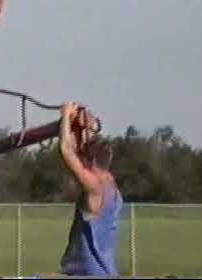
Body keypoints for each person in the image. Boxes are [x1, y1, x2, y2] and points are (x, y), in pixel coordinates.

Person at [58, 102, 123, 276]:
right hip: (105, 272)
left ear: (92, 160)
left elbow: (66, 151)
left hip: (87, 272)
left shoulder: (94, 187)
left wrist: (66, 115)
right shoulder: (111, 185)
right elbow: (78, 152)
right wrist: (83, 127)